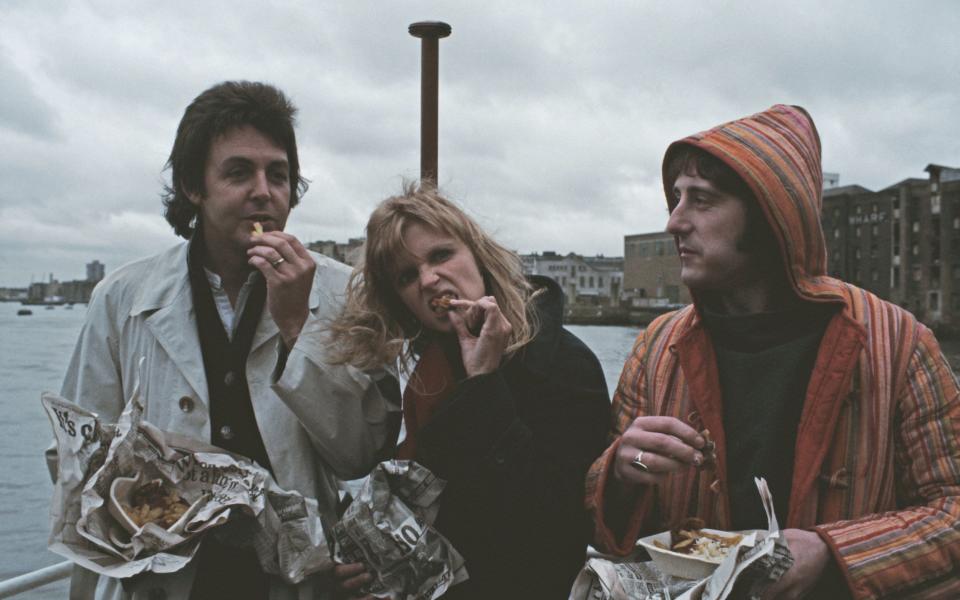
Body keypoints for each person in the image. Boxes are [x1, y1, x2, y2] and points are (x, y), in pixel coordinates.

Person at [585, 104, 960, 598]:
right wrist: (620, 472)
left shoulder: (897, 343)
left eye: (701, 200)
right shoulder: (657, 348)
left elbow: (951, 509)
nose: (675, 222)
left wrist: (834, 551)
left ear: (770, 216)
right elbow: (602, 522)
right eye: (676, 199)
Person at [49, 81, 398, 599]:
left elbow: (359, 455)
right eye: (239, 172)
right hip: (166, 578)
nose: (264, 191)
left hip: (298, 579)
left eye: (278, 175)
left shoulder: (344, 292)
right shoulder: (123, 296)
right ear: (194, 186)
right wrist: (126, 544)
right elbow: (76, 456)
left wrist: (299, 326)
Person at [328, 184, 611, 599]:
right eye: (407, 276)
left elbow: (556, 523)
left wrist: (483, 383)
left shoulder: (565, 362)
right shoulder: (425, 372)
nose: (428, 280)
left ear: (478, 255)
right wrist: (365, 558)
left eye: (441, 255)